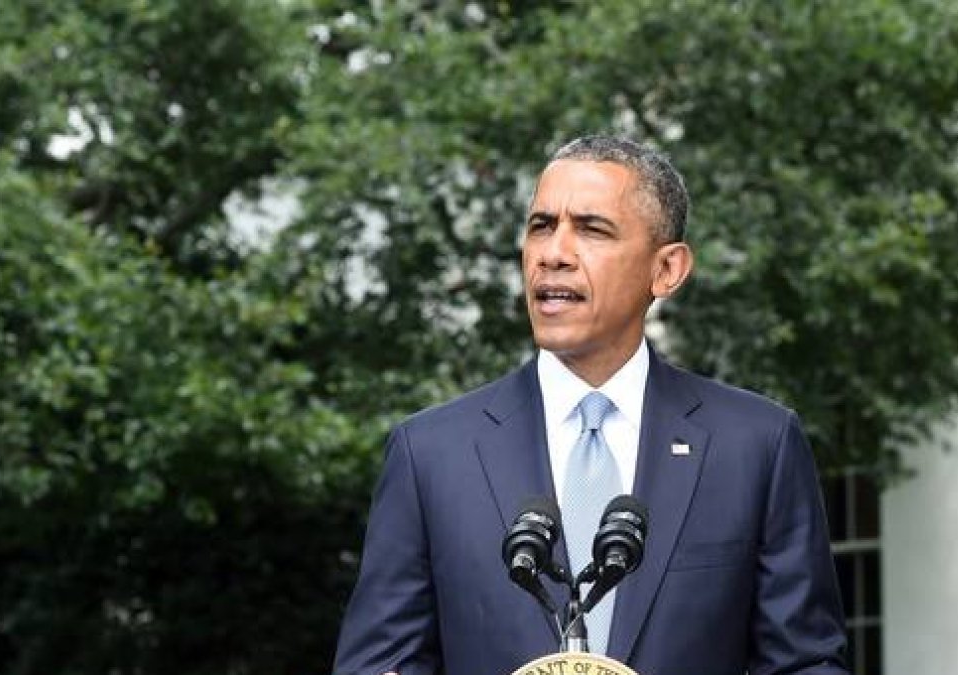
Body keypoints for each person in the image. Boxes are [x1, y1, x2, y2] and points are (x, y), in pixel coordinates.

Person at [333, 136, 849, 675]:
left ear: (667, 269)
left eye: (591, 229)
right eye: (541, 226)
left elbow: (804, 663)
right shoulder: (431, 454)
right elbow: (378, 663)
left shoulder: (755, 446)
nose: (554, 253)